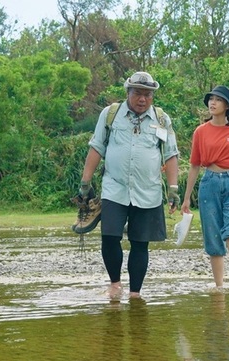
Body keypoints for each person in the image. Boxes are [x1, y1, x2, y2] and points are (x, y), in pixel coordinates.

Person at [75, 71, 180, 299]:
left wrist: (173, 189)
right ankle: (114, 284)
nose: (143, 99)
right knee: (110, 236)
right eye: (138, 93)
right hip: (115, 188)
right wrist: (85, 182)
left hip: (148, 190)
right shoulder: (110, 115)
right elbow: (96, 148)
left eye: (147, 95)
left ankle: (135, 293)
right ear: (127, 92)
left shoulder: (162, 119)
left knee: (140, 242)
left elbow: (171, 155)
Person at [180, 85, 229, 294]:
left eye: (217, 99)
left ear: (227, 106)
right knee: (214, 239)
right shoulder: (200, 131)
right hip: (209, 184)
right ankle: (219, 288)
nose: (212, 103)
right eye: (211, 99)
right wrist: (187, 198)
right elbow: (195, 165)